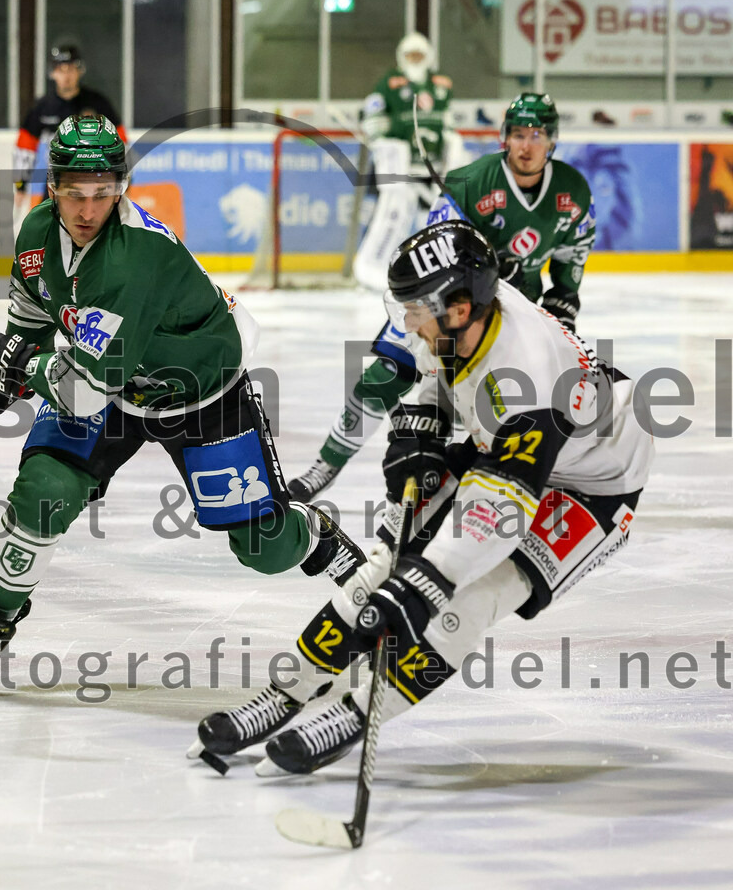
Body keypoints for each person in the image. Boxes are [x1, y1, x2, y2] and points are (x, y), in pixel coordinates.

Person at [0, 113, 371, 697]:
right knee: (44, 491)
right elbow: (31, 328)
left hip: (198, 388)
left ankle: (313, 536)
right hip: (112, 382)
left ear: (121, 189)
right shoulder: (36, 233)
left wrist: (10, 365)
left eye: (103, 194)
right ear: (53, 187)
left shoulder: (131, 259)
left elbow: (86, 387)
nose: (88, 211)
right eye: (74, 194)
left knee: (263, 547)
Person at [190, 220, 653, 774]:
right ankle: (286, 691)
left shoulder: (525, 379)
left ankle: (358, 713)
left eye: (415, 310)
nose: (406, 322)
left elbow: (497, 516)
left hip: (597, 483)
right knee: (386, 564)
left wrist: (427, 582)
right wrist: (423, 423)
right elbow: (448, 371)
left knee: (471, 599)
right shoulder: (469, 311)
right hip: (516, 441)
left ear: (457, 309)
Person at [290, 92, 596, 519]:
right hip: (448, 302)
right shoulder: (470, 182)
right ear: (504, 139)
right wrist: (481, 268)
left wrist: (558, 317)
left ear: (552, 141)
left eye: (537, 135)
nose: (526, 145)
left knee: (512, 397)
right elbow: (438, 254)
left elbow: (570, 267)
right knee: (386, 372)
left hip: (515, 310)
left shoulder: (573, 192)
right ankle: (325, 465)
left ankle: (494, 484)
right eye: (517, 134)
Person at [352, 31, 464, 291]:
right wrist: (380, 136)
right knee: (393, 215)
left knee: (436, 219)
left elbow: (448, 122)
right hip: (399, 168)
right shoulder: (390, 83)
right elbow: (373, 117)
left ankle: (432, 270)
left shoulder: (441, 86)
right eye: (410, 55)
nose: (415, 59)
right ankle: (375, 266)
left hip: (432, 168)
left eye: (419, 55)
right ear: (401, 57)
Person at [13, 44, 126, 211]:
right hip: (58, 179)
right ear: (52, 72)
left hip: (96, 180)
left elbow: (121, 142)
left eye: (70, 69)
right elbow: (25, 149)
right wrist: (21, 186)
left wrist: (124, 180)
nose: (66, 75)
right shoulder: (43, 108)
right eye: (61, 69)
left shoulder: (97, 104)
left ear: (79, 70)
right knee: (47, 225)